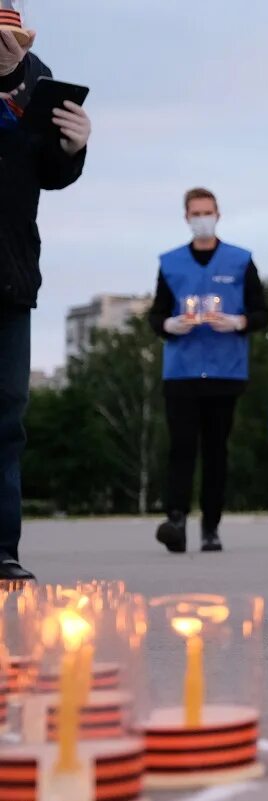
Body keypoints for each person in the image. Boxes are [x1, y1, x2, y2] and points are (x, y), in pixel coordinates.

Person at [0, 31, 91, 580]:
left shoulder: (37, 75)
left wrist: (73, 145)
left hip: (10, 275)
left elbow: (49, 173)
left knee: (7, 416)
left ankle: (2, 549)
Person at [149, 188, 268, 553]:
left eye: (208, 212)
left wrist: (237, 321)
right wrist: (169, 326)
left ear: (218, 214)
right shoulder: (170, 263)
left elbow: (262, 312)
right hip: (182, 371)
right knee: (181, 448)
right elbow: (156, 315)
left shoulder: (239, 260)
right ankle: (176, 519)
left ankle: (211, 526)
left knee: (216, 451)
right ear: (186, 218)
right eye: (195, 213)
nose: (202, 218)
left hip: (225, 371)